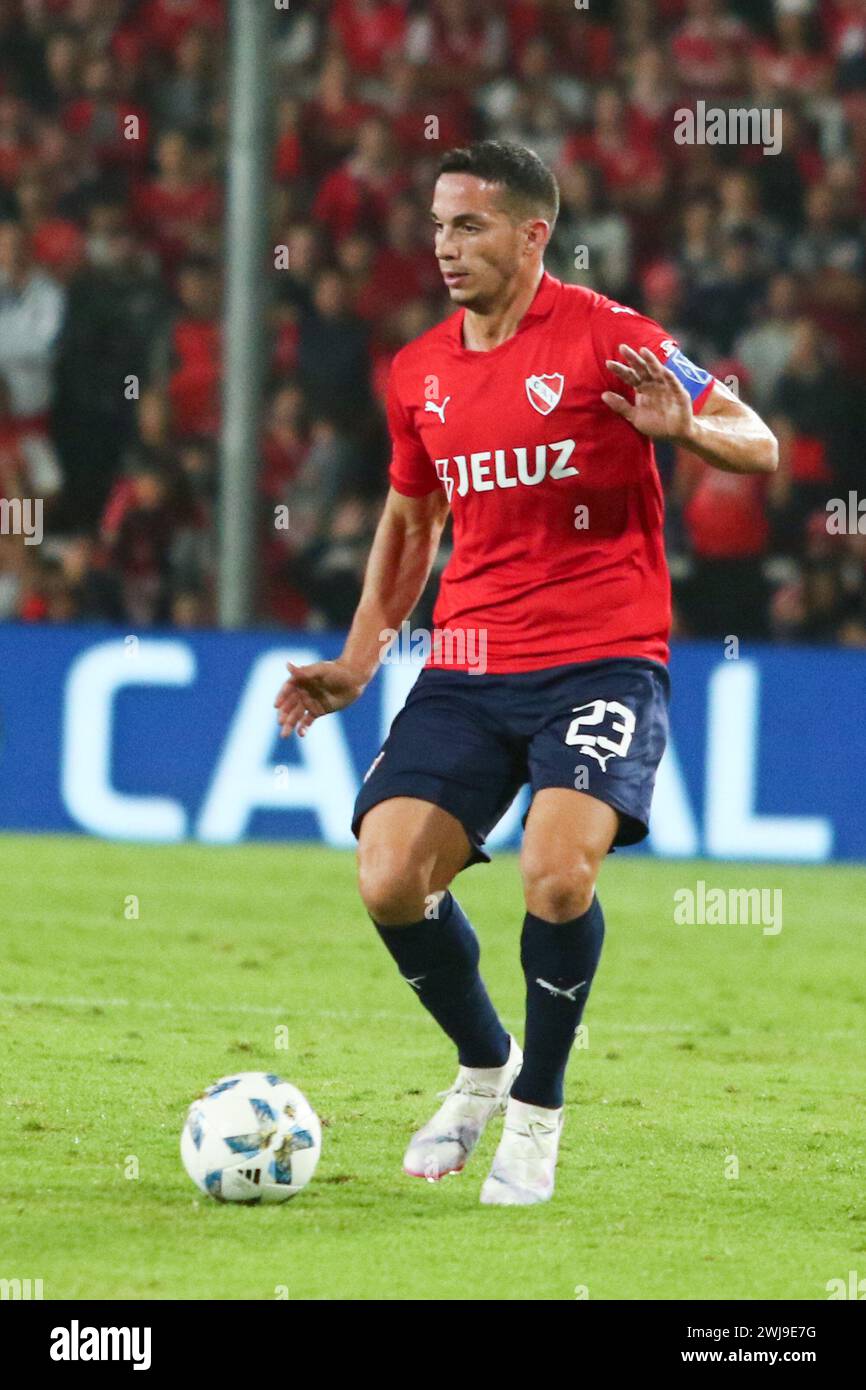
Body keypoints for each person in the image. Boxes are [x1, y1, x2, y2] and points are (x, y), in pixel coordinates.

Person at [274, 141, 778, 1206]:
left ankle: (537, 1109)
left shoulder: (611, 338)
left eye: (468, 226)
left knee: (556, 875)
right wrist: (361, 660)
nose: (443, 245)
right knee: (388, 877)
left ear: (531, 233)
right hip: (467, 658)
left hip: (602, 656)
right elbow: (412, 518)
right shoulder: (417, 371)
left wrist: (685, 427)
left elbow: (758, 441)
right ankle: (482, 1063)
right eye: (438, 225)